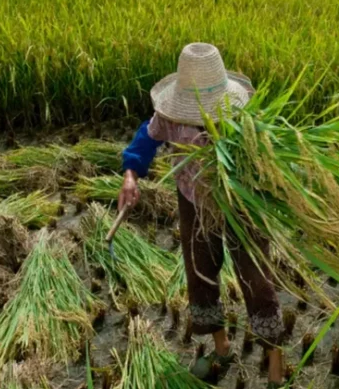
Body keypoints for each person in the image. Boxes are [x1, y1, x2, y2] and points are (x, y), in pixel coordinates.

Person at [118, 43, 285, 388]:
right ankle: (221, 347)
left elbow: (269, 160)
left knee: (255, 276)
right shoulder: (169, 117)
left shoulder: (241, 118)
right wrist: (131, 175)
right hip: (193, 201)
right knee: (200, 270)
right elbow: (145, 140)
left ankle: (275, 362)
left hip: (241, 203)